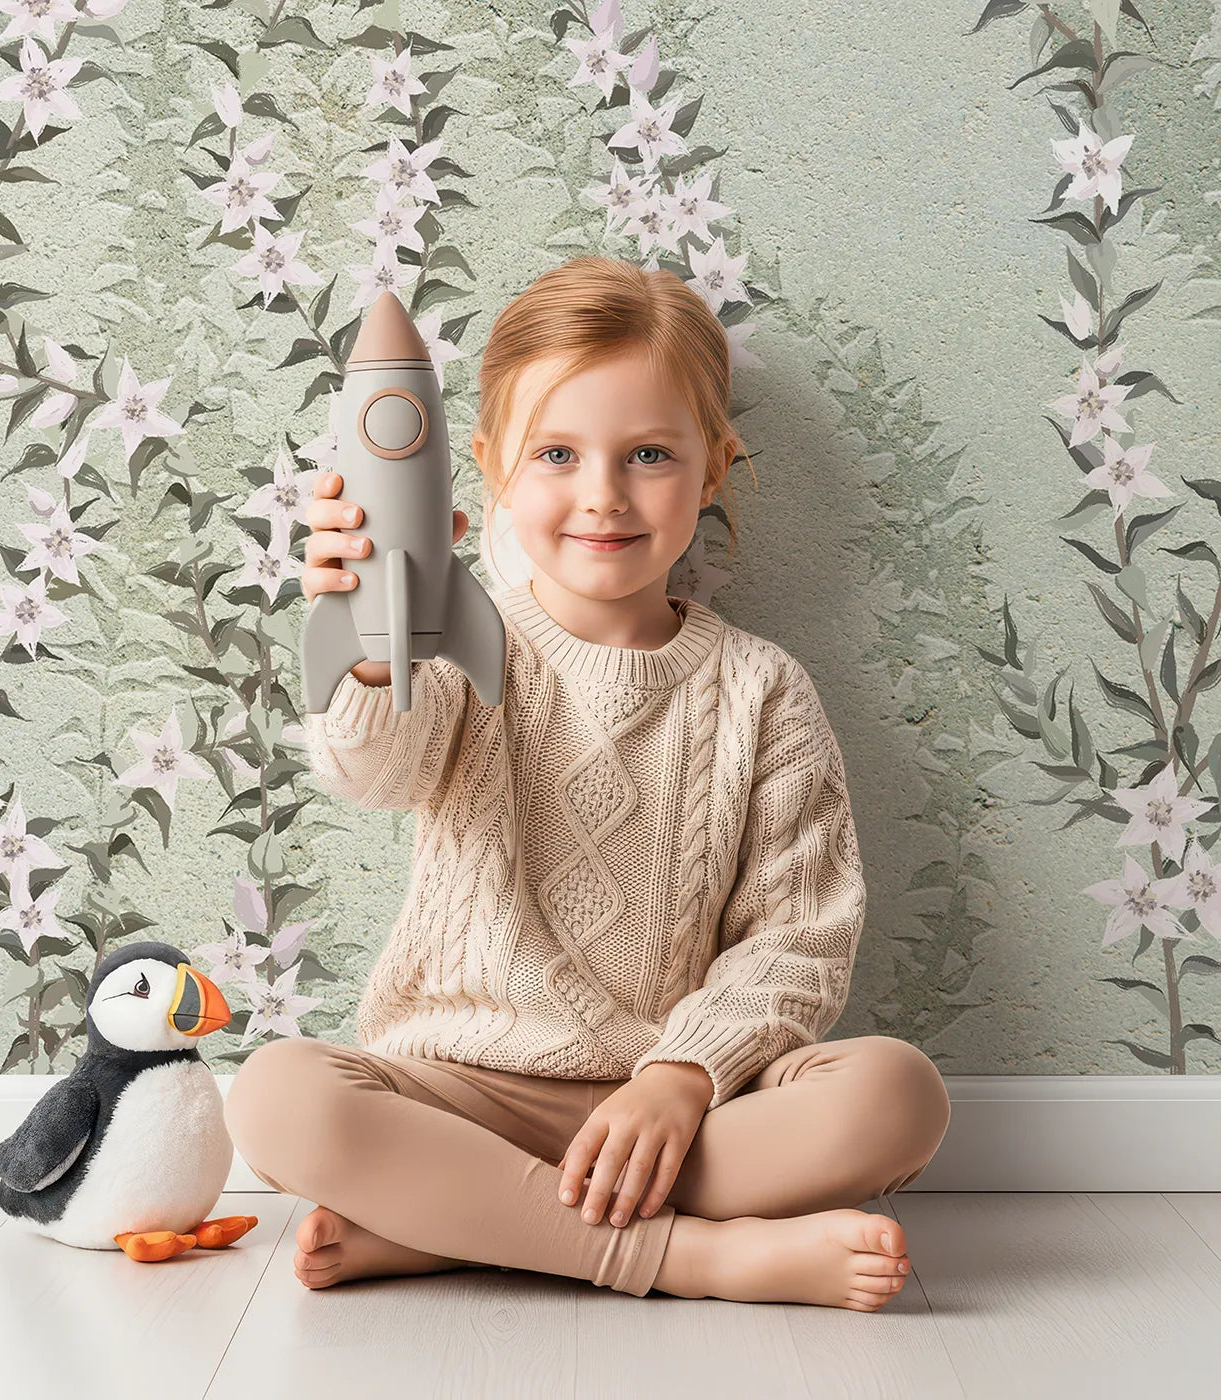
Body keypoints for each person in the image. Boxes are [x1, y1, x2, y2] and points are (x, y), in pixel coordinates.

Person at [224, 255, 951, 1310]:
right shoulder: (457, 640)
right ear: (489, 469)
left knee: (895, 1093)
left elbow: (799, 938)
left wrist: (679, 1074)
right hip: (456, 1095)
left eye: (648, 453)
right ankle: (695, 1256)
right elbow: (370, 769)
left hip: (679, 1111)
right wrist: (372, 646)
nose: (601, 494)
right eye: (556, 452)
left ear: (711, 469)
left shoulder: (762, 691)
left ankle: (461, 1226)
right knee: (279, 1096)